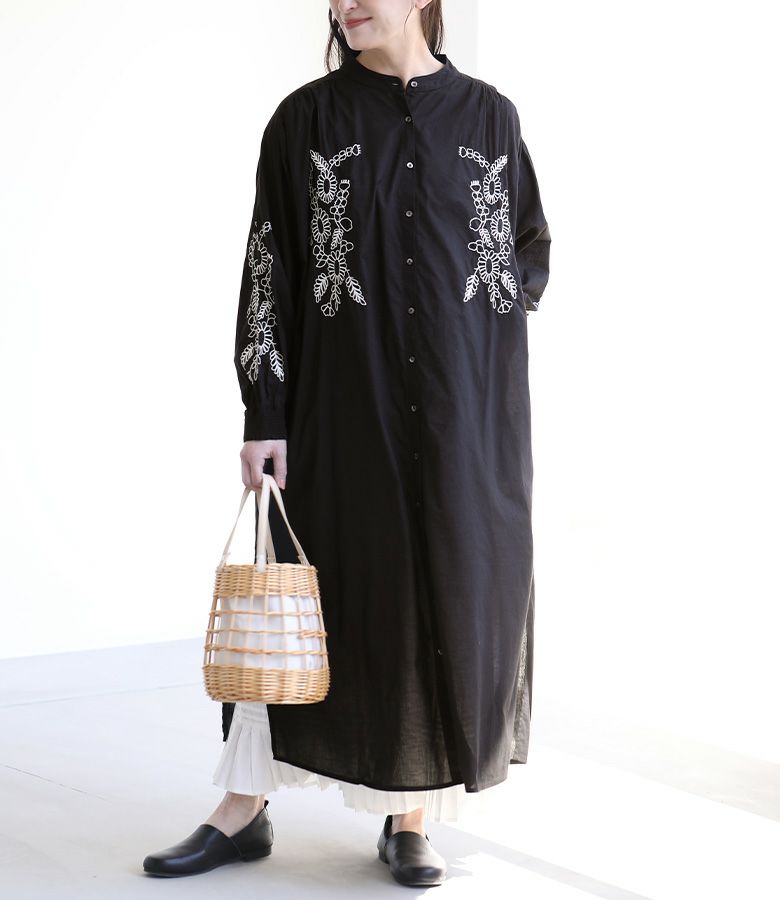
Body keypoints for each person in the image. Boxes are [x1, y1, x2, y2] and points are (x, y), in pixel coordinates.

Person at [142, 0, 550, 888]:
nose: (345, 2)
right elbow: (269, 268)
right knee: (298, 594)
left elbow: (527, 251)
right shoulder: (307, 120)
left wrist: (478, 322)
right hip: (340, 407)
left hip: (464, 419)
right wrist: (265, 411)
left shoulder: (489, 116)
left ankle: (413, 817)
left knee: (438, 587)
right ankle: (241, 809)